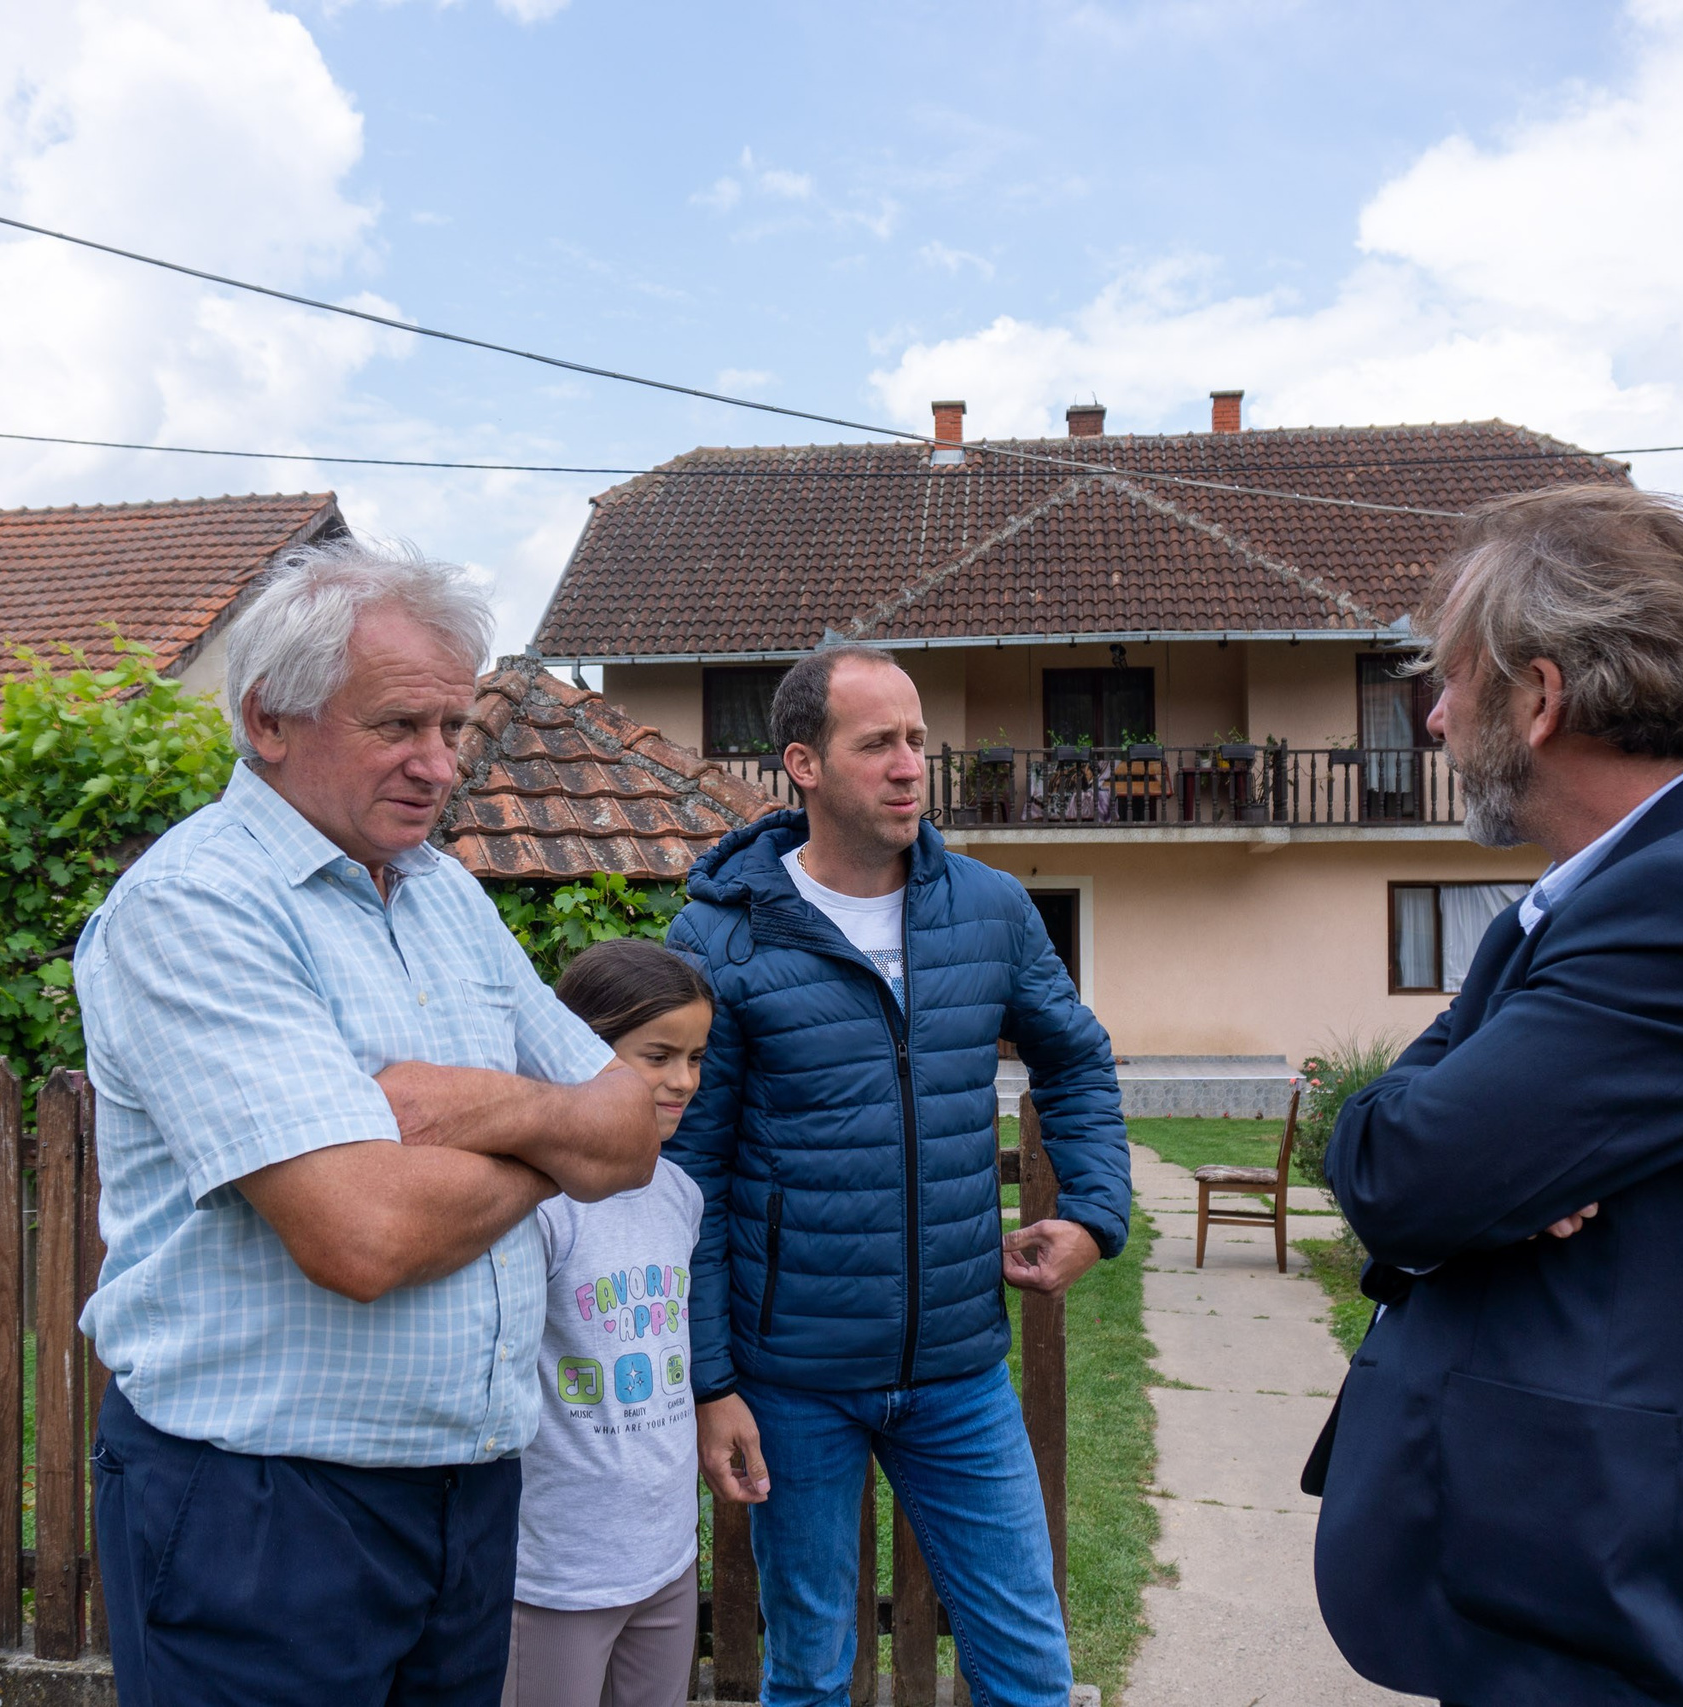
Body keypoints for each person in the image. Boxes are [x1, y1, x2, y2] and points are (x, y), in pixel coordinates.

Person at [1307, 485, 1683, 1707]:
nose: (1431, 718)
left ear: (1538, 698)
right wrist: (1494, 1131)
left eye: (1450, 682)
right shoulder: (1644, 889)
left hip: (1631, 1605)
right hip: (1580, 1578)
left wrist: (1475, 1132)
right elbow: (1433, 1149)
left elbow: (1395, 1170)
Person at [74, 535, 660, 1707]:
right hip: (265, 1509)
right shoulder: (197, 907)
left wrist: (475, 1109)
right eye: (399, 726)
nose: (441, 766)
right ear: (268, 720)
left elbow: (634, 1128)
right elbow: (362, 1239)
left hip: (467, 1493)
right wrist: (556, 1142)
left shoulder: (441, 893)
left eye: (452, 726)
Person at [665, 644, 1132, 1707]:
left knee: (1025, 1662)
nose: (909, 765)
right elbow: (687, 1169)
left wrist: (1095, 1213)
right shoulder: (720, 937)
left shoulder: (991, 910)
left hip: (960, 1366)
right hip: (793, 1378)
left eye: (918, 740)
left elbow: (1074, 1055)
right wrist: (712, 1381)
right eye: (876, 743)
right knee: (811, 1668)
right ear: (803, 764)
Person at [506, 938, 715, 1707]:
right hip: (556, 1572)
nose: (683, 1080)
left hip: (664, 1559)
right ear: (581, 1051)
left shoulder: (680, 1193)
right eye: (657, 1055)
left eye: (695, 1057)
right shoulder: (537, 1206)